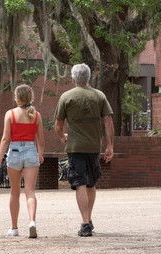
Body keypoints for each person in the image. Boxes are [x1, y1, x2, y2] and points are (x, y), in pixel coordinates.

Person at [54, 63, 114, 237]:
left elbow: (58, 124)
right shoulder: (100, 96)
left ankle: (85, 222)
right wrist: (109, 146)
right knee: (91, 183)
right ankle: (89, 219)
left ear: (73, 79)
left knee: (79, 182)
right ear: (89, 78)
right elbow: (108, 122)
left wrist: (62, 136)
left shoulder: (66, 97)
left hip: (75, 146)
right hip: (94, 146)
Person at [0, 84, 45, 238]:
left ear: (17, 98)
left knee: (14, 192)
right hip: (31, 151)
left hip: (14, 152)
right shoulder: (36, 115)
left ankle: (14, 228)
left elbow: (5, 139)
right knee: (30, 192)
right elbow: (40, 140)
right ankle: (32, 222)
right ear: (31, 97)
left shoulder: (10, 114)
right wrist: (40, 154)